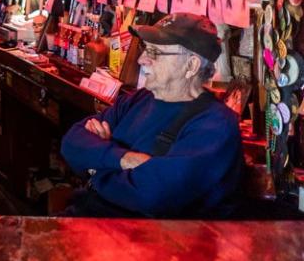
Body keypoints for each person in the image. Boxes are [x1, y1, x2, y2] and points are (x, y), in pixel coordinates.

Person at [60, 13, 242, 219]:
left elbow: (152, 196)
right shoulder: (138, 99)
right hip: (92, 220)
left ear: (191, 66)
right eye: (145, 49)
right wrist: (125, 159)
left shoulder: (214, 126)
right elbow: (71, 144)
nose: (141, 59)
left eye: (155, 52)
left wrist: (96, 167)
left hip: (148, 241)